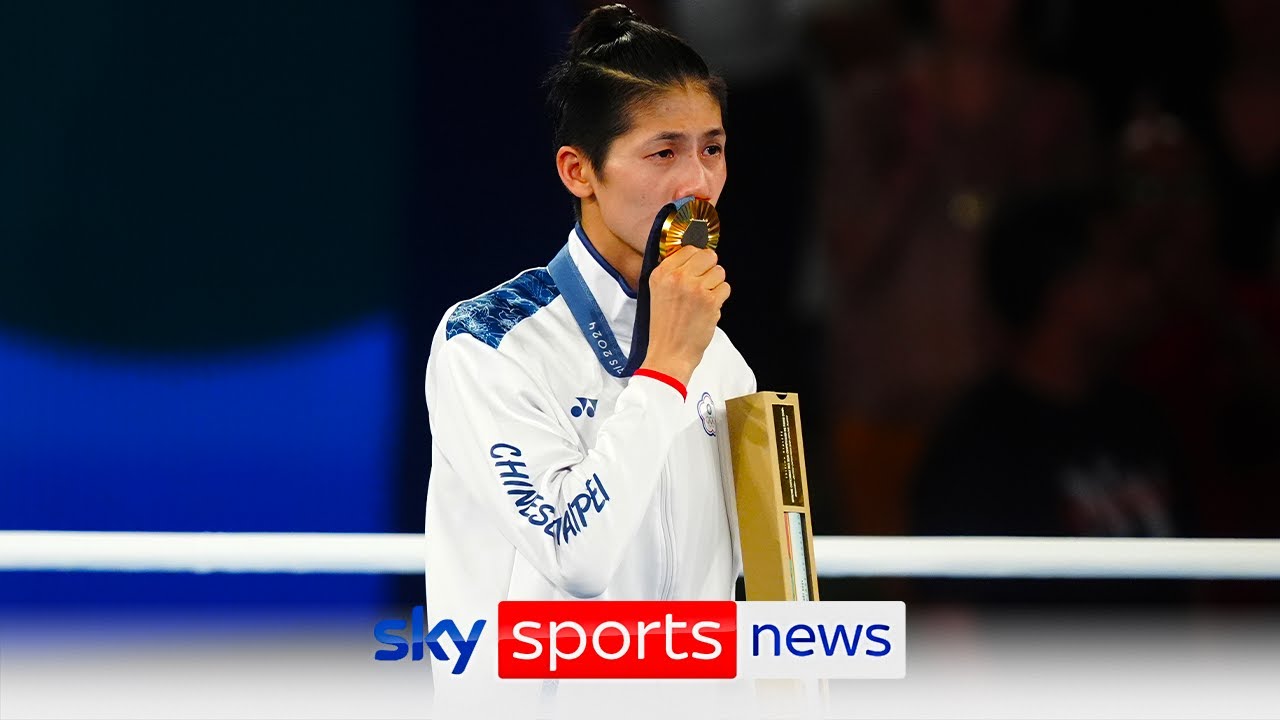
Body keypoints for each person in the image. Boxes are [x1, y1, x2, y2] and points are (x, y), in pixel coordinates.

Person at [422, 4, 754, 712]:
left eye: (713, 149)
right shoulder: (487, 342)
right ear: (579, 171)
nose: (698, 185)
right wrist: (664, 372)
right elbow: (577, 557)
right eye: (663, 153)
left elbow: (731, 598)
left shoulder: (723, 359)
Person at [909, 189, 1188, 606]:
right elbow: (950, 623)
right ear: (1062, 290)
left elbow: (1195, 592)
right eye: (1119, 266)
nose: (1143, 287)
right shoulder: (974, 448)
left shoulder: (1144, 418)